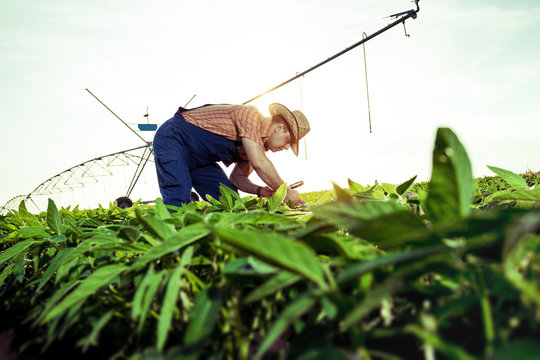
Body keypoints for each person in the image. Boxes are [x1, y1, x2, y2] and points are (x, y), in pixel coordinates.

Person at [152, 103, 310, 208]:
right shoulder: (251, 116)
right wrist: (287, 192)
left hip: (201, 161)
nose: (287, 147)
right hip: (175, 138)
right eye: (289, 140)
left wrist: (261, 190)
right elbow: (259, 163)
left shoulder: (254, 145)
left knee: (231, 202)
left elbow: (237, 178)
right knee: (177, 198)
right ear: (280, 128)